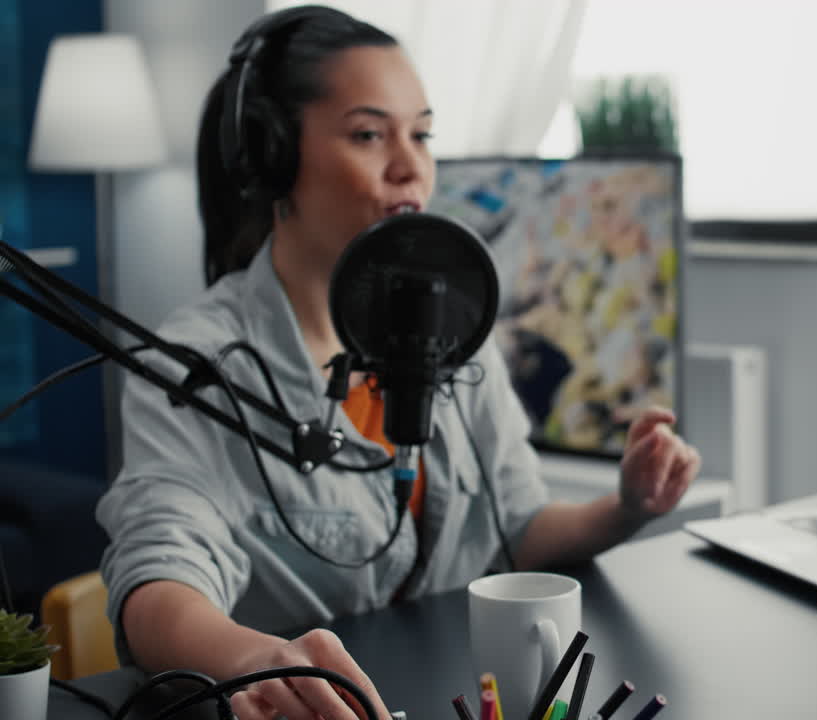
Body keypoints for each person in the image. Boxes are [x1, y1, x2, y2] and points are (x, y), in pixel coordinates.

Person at [95, 7, 701, 720]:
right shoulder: (198, 364)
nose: (411, 165)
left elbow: (520, 526)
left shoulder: (450, 326)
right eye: (368, 134)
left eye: (421, 134)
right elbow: (159, 580)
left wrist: (628, 506)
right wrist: (254, 661)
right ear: (274, 156)